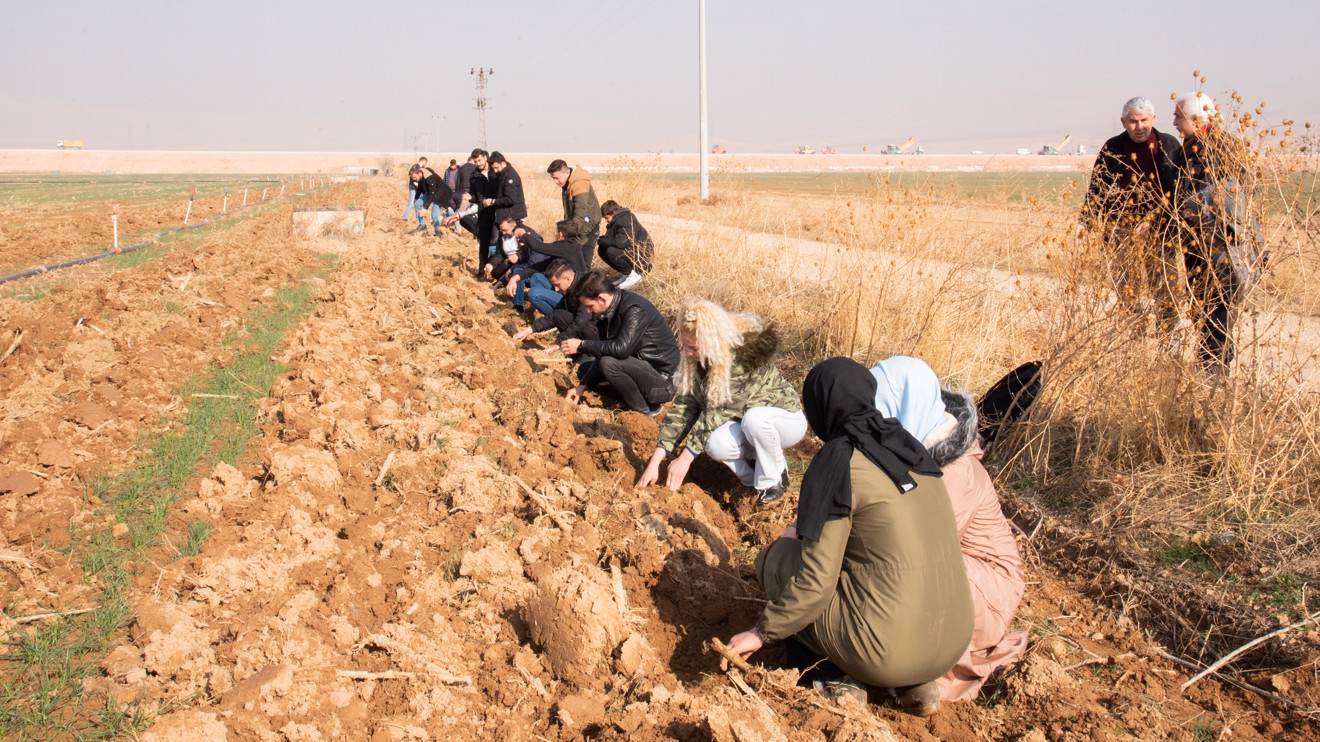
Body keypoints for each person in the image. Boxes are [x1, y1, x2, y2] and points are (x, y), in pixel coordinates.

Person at [721, 357, 973, 716]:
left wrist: (761, 632)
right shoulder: (912, 449)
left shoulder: (840, 460)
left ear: (820, 408)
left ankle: (832, 675)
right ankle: (912, 684)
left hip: (886, 650)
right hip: (950, 644)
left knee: (779, 561)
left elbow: (815, 582)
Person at [869, 356, 1027, 703]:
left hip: (984, 587)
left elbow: (921, 543)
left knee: (906, 569)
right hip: (954, 568)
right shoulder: (917, 451)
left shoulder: (955, 471)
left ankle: (916, 665)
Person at [636, 300, 805, 505]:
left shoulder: (741, 361)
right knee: (716, 445)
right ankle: (749, 483)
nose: (688, 353)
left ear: (712, 342)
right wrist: (656, 460)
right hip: (747, 425)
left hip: (784, 421)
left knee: (754, 420)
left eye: (694, 348)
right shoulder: (699, 361)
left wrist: (684, 461)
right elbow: (684, 407)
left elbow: (716, 413)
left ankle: (775, 478)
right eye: (685, 346)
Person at [1170, 91, 1264, 369]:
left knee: (1219, 306)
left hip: (1224, 245)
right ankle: (1212, 364)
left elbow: (1229, 197)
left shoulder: (1221, 148)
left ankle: (1212, 368)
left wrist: (1193, 208)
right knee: (1203, 306)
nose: (1174, 121)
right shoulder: (1187, 148)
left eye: (1178, 116)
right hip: (1198, 244)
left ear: (1197, 120)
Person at [1078, 97, 1183, 318]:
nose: (1139, 127)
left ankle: (1168, 346)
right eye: (1133, 122)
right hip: (1120, 231)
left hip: (1159, 233)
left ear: (1153, 119)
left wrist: (1153, 220)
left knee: (1165, 293)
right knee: (1127, 292)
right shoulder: (1113, 147)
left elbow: (1178, 193)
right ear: (1123, 122)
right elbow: (1097, 189)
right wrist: (1085, 222)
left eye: (1144, 120)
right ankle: (1135, 341)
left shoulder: (1169, 145)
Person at [561, 271, 679, 416]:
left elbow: (621, 349)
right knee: (584, 371)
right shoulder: (606, 313)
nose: (587, 311)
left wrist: (582, 345)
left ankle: (645, 411)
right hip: (640, 371)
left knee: (608, 363)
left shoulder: (634, 309)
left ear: (602, 298)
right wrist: (582, 386)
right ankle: (632, 401)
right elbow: (605, 350)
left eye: (589, 306)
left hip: (662, 383)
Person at [505, 220, 587, 314]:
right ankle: (518, 307)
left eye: (556, 233)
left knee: (534, 293)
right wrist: (516, 277)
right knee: (536, 277)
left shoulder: (567, 247)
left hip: (572, 300)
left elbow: (538, 246)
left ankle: (555, 318)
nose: (555, 235)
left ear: (560, 234)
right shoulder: (568, 248)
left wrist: (522, 234)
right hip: (562, 290)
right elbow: (541, 265)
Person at [511, 259, 599, 345]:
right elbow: (552, 317)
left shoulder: (584, 290)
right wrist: (528, 331)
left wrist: (559, 343)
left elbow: (581, 320)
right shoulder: (570, 288)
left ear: (568, 279)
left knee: (560, 315)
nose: (556, 289)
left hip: (595, 335)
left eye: (557, 285)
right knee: (558, 314)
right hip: (585, 328)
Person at [547, 159, 602, 269]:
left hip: (587, 229)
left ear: (567, 173)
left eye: (557, 178)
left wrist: (566, 235)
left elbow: (580, 214)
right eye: (553, 178)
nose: (555, 182)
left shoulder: (579, 183)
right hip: (577, 228)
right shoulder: (567, 183)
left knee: (583, 267)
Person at [597, 200, 655, 290]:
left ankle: (634, 276)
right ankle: (627, 274)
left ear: (613, 213)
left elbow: (620, 243)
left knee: (611, 251)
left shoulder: (625, 220)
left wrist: (601, 240)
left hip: (642, 255)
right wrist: (601, 240)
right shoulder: (617, 220)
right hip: (632, 250)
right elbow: (612, 239)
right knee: (602, 249)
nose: (606, 221)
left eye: (606, 217)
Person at [408, 165, 454, 237]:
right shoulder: (421, 176)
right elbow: (420, 188)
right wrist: (416, 198)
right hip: (431, 193)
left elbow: (432, 194)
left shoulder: (430, 177)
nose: (413, 179)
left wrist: (425, 208)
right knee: (417, 204)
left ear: (419, 173)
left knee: (434, 214)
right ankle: (422, 224)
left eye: (414, 177)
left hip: (441, 195)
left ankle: (438, 234)